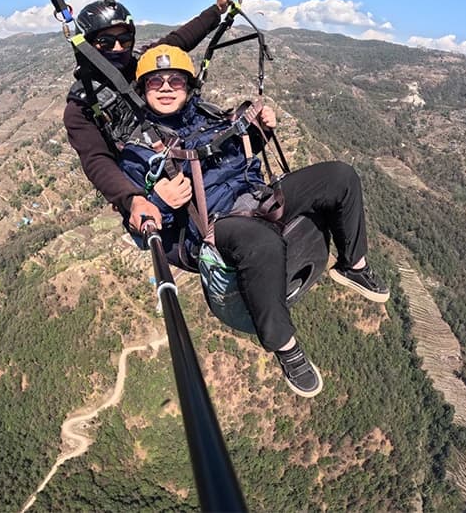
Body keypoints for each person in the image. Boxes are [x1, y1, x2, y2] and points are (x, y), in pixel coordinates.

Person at [117, 44, 389, 398]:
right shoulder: (138, 153)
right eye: (156, 82)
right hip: (216, 227)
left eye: (175, 80)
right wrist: (160, 202)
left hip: (258, 197)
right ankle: (284, 345)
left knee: (340, 177)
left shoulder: (210, 116)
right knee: (260, 241)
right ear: (143, 90)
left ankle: (354, 264)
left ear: (189, 87)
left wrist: (260, 131)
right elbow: (138, 228)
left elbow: (237, 155)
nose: (166, 88)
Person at [63, 0, 230, 233]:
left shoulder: (143, 63)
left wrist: (217, 10)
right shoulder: (81, 107)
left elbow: (181, 38)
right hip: (145, 180)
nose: (119, 48)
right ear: (89, 44)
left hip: (179, 154)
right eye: (106, 42)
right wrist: (132, 199)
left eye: (125, 40)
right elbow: (96, 160)